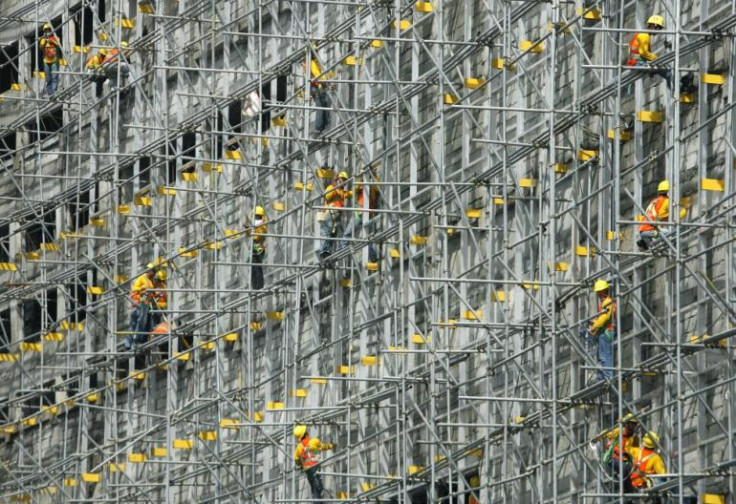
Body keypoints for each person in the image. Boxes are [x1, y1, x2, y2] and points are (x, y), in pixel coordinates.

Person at [592, 413, 640, 493]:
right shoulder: (619, 431)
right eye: (632, 424)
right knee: (623, 468)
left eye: (635, 424)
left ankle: (629, 494)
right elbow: (606, 433)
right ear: (627, 424)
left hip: (625, 460)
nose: (634, 426)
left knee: (630, 473)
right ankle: (620, 483)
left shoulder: (634, 438)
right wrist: (596, 439)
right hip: (613, 457)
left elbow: (636, 451)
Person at [340, 172, 379, 263]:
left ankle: (343, 249)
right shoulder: (373, 187)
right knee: (368, 237)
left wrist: (361, 178)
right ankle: (373, 257)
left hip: (360, 212)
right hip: (368, 214)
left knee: (347, 234)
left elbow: (355, 189)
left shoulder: (364, 186)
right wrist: (374, 175)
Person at [637, 180, 686, 251]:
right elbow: (673, 218)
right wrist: (684, 210)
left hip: (643, 231)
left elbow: (661, 217)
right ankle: (673, 248)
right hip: (649, 231)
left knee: (654, 247)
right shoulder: (666, 202)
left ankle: (653, 246)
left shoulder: (654, 201)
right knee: (669, 233)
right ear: (668, 192)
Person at [627, 15, 672, 89]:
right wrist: (655, 58)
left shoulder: (643, 34)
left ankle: (674, 87)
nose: (658, 31)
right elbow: (643, 53)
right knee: (667, 72)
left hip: (636, 62)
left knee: (663, 70)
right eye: (658, 28)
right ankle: (676, 89)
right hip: (637, 63)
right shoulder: (644, 35)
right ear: (653, 26)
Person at [293, 425, 334, 502]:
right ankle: (319, 501)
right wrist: (333, 445)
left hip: (307, 469)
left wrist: (300, 465)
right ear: (306, 433)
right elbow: (323, 447)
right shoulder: (313, 441)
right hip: (314, 466)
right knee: (318, 486)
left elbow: (296, 459)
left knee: (313, 485)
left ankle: (317, 500)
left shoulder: (299, 446)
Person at [588, 279, 616, 381]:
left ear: (605, 290)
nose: (598, 294)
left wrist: (594, 326)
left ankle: (608, 376)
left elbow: (604, 318)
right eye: (598, 292)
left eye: (600, 291)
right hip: (604, 331)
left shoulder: (608, 302)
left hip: (607, 332)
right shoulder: (604, 302)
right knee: (600, 355)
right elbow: (601, 318)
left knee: (604, 355)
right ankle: (601, 377)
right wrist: (594, 323)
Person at [125, 263, 156, 351]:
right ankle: (133, 341)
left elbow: (150, 292)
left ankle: (141, 339)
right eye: (153, 271)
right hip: (138, 302)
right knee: (137, 323)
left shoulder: (150, 280)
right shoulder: (142, 278)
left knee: (144, 322)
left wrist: (153, 294)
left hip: (146, 303)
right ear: (149, 271)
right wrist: (143, 291)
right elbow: (135, 289)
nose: (153, 274)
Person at [630, 431, 667, 501]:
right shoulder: (655, 457)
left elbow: (628, 448)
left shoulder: (637, 451)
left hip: (634, 485)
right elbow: (663, 474)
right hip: (646, 486)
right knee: (669, 483)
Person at [319, 171, 348, 259]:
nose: (343, 182)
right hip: (330, 213)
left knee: (333, 234)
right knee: (328, 233)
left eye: (344, 180)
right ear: (338, 180)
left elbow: (348, 194)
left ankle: (328, 251)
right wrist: (335, 190)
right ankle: (324, 251)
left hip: (336, 214)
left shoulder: (341, 191)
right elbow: (327, 196)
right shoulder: (332, 187)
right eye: (342, 180)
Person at [302, 49, 331, 133]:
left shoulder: (307, 62)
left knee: (322, 105)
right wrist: (327, 82)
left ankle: (322, 126)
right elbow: (318, 75)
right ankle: (320, 127)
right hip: (317, 87)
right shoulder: (311, 63)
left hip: (313, 87)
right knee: (322, 106)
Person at [246, 206, 267, 289]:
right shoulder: (256, 226)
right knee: (253, 267)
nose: (257, 218)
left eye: (258, 217)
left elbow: (256, 237)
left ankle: (258, 285)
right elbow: (250, 235)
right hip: (255, 249)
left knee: (256, 266)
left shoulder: (262, 225)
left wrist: (250, 229)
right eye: (256, 216)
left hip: (258, 248)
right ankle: (255, 285)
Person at [39, 23, 62, 96]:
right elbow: (40, 48)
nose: (48, 32)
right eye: (46, 30)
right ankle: (50, 93)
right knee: (48, 79)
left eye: (49, 30)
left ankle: (54, 93)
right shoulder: (43, 39)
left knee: (54, 77)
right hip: (46, 61)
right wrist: (45, 41)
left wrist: (52, 41)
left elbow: (59, 46)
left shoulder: (56, 38)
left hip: (55, 60)